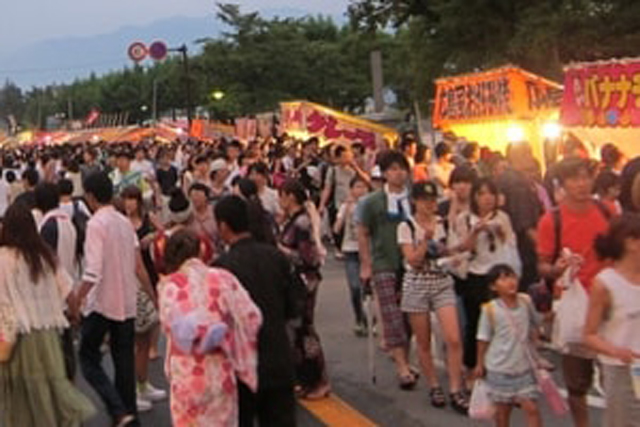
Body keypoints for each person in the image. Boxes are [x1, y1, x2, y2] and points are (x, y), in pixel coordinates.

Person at [0, 202, 95, 426]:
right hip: (48, 338)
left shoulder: (2, 258)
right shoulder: (45, 256)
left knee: (21, 404)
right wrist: (75, 317)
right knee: (50, 396)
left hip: (17, 340)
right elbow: (69, 293)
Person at [75, 172, 157, 427]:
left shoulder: (96, 224)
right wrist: (153, 296)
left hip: (102, 303)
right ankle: (128, 416)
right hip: (127, 302)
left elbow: (93, 270)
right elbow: (139, 266)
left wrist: (77, 298)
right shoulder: (124, 222)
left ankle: (118, 409)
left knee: (88, 358)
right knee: (124, 363)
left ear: (90, 196)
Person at [158, 229, 261, 426]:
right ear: (200, 251)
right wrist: (232, 339)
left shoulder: (169, 286)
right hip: (219, 369)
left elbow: (167, 325)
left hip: (186, 373)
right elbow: (251, 316)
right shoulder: (223, 278)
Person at [214, 195, 301, 427]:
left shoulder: (220, 268)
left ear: (223, 225)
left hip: (240, 366)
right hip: (278, 359)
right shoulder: (276, 257)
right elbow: (294, 308)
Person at [536, 157, 609, 427]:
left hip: (608, 307)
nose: (581, 184)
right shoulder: (550, 220)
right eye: (574, 178)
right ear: (562, 183)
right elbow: (542, 265)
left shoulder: (607, 210)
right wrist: (556, 269)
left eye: (586, 177)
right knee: (577, 382)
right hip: (573, 308)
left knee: (617, 374)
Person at [398, 181, 468, 413]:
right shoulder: (406, 226)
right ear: (415, 201)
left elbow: (451, 249)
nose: (430, 204)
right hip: (417, 284)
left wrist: (462, 248)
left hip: (440, 282)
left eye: (433, 200)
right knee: (424, 339)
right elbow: (413, 260)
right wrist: (426, 240)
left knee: (453, 338)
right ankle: (434, 384)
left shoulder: (442, 224)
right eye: (425, 200)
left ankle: (456, 387)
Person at [358, 150, 418, 389]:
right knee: (391, 314)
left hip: (411, 262)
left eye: (402, 168)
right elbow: (363, 232)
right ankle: (402, 366)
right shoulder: (372, 202)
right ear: (383, 173)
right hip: (383, 262)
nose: (398, 173)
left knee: (410, 315)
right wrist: (366, 264)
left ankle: (403, 354)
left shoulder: (413, 199)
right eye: (392, 169)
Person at [451, 178, 519, 373]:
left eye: (491, 193)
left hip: (499, 275)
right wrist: (475, 231)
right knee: (476, 323)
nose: (487, 198)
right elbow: (463, 248)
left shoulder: (502, 217)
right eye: (481, 194)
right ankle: (474, 365)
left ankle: (500, 363)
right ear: (475, 197)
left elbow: (511, 243)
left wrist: (499, 231)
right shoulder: (464, 218)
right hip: (475, 274)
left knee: (502, 322)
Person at [585, 214, 640, 427]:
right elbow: (589, 334)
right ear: (631, 243)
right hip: (621, 370)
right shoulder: (605, 284)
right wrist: (616, 351)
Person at [279, 179, 330, 399]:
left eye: (282, 195)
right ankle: (304, 378)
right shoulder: (292, 220)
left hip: (304, 281)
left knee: (305, 330)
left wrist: (280, 250)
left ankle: (319, 378)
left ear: (290, 196)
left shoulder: (302, 222)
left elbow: (307, 257)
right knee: (296, 331)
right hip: (294, 281)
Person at [475, 264, 542, 427]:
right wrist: (479, 363)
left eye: (512, 277)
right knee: (502, 413)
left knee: (531, 408)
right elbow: (483, 338)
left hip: (523, 367)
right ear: (493, 286)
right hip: (500, 368)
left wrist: (536, 349)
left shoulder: (525, 302)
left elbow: (536, 324)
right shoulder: (490, 309)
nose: (510, 282)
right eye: (503, 279)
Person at [120, 186, 166, 412]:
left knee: (146, 335)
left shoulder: (147, 219)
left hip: (150, 273)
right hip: (134, 282)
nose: (130, 204)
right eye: (126, 199)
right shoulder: (121, 224)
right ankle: (135, 389)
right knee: (135, 338)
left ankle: (143, 383)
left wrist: (155, 235)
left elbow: (164, 234)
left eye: (133, 199)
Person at [334, 176, 370, 336]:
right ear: (351, 190)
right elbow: (336, 228)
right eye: (357, 187)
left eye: (363, 187)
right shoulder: (346, 206)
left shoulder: (371, 206)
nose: (360, 190)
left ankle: (372, 319)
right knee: (355, 287)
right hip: (350, 250)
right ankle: (359, 318)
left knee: (369, 289)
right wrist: (346, 212)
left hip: (369, 252)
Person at [189, 183, 219, 248]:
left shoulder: (215, 212)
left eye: (198, 195)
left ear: (206, 197)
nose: (195, 198)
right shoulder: (189, 215)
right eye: (192, 196)